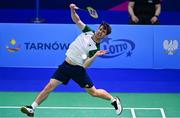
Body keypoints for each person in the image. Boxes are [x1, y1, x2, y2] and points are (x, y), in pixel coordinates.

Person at [20, 3, 122, 117]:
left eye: (103, 32)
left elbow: (86, 65)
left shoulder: (95, 48)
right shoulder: (88, 31)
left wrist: (95, 55)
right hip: (65, 65)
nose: (100, 31)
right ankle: (32, 108)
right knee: (49, 86)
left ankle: (113, 100)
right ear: (98, 28)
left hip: (78, 70)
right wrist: (72, 10)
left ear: (105, 36)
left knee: (93, 92)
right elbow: (77, 20)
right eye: (101, 29)